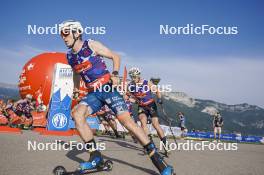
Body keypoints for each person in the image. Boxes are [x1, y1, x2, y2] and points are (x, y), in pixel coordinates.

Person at [60, 20, 174, 174]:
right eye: (61, 33)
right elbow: (75, 73)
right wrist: (75, 89)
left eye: (65, 32)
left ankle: (160, 163)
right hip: (93, 93)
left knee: (128, 123)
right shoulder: (70, 56)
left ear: (77, 32)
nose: (63, 36)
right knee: (77, 114)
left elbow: (115, 56)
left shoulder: (91, 45)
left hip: (107, 88)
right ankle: (95, 157)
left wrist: (115, 73)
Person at [127, 67, 169, 154]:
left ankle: (166, 146)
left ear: (138, 76)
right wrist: (132, 100)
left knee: (155, 124)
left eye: (134, 76)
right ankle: (151, 146)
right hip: (141, 106)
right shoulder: (130, 85)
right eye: (131, 77)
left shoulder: (147, 83)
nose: (133, 79)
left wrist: (159, 99)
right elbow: (127, 96)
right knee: (143, 122)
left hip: (151, 105)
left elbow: (157, 91)